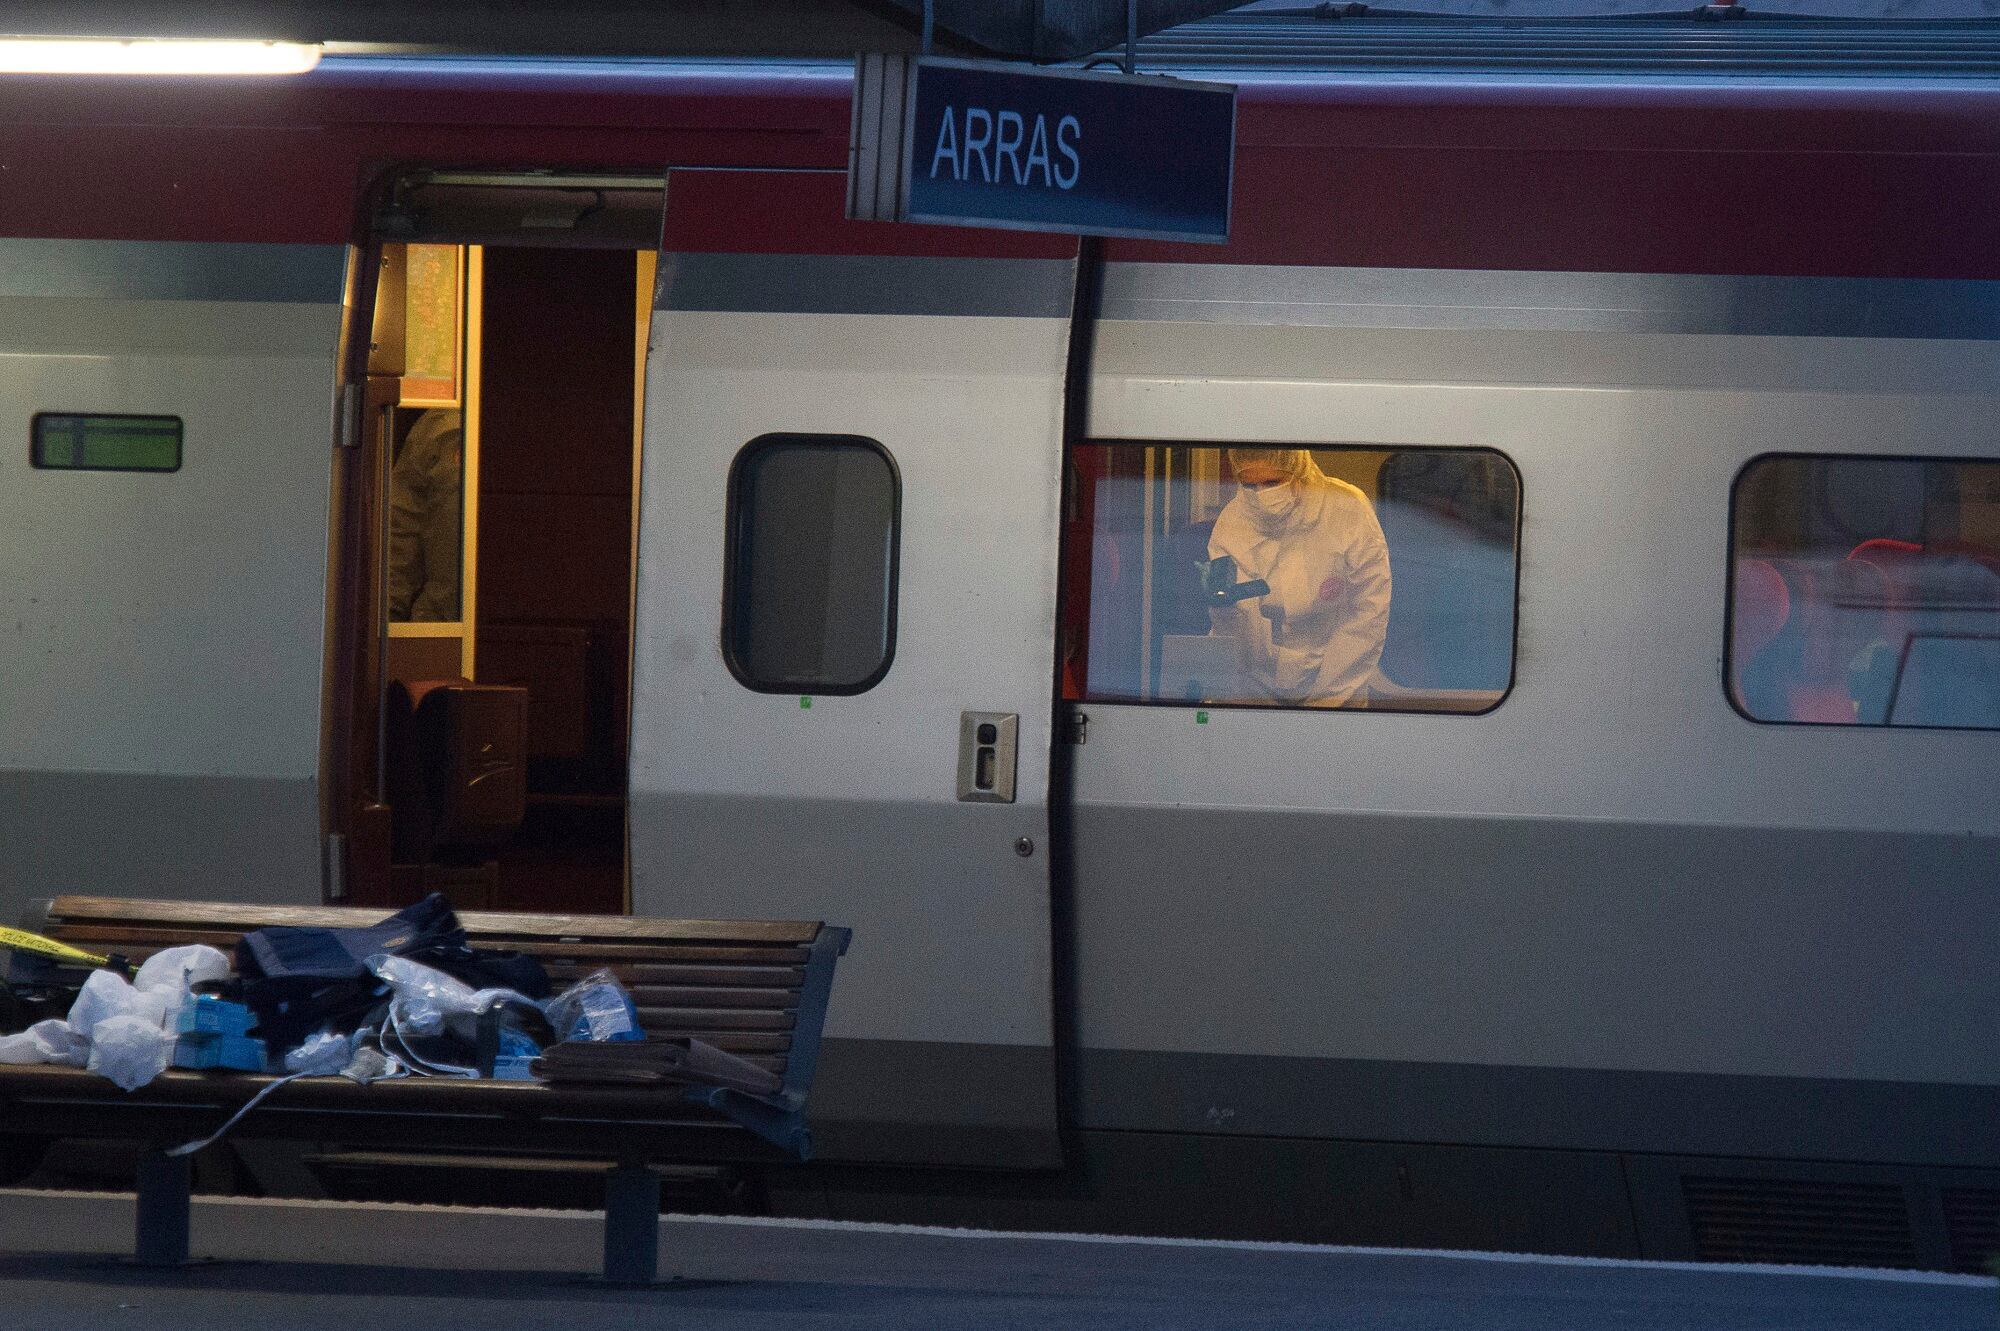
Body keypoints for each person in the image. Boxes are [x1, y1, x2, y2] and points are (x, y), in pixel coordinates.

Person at [1207, 448, 1391, 707]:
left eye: (1273, 482)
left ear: (1299, 471)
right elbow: (1235, 620)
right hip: (1257, 678)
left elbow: (1368, 612)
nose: (1262, 495)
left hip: (1336, 666)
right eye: (1250, 485)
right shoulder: (1232, 521)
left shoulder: (1346, 507)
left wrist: (1330, 700)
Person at [387, 408, 464, 622]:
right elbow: (402, 528)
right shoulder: (443, 428)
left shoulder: (443, 427)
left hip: (441, 619)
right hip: (437, 623)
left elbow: (402, 527)